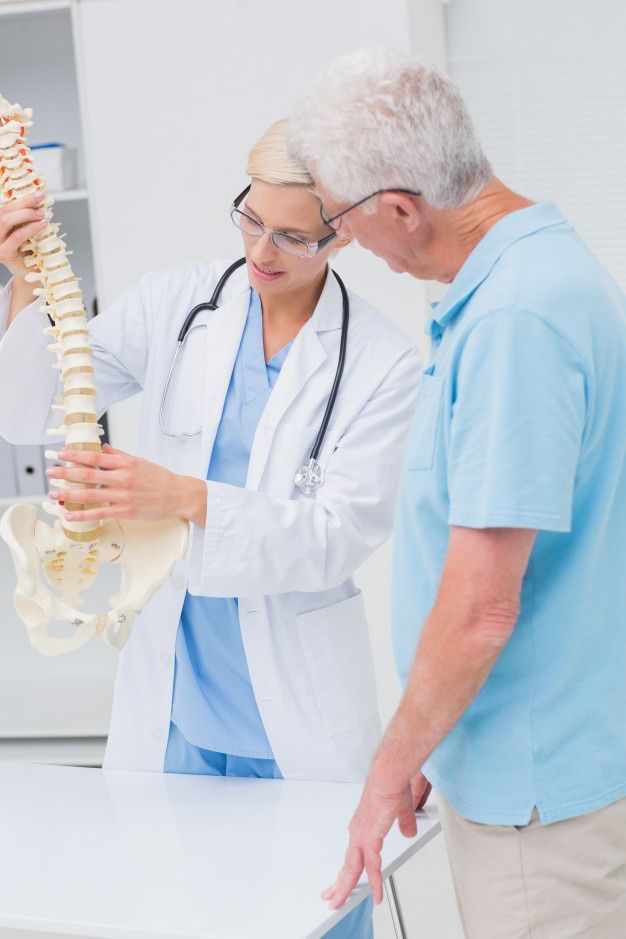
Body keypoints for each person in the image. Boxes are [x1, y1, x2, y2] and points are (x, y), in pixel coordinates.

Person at [0, 119, 422, 938]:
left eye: (294, 235)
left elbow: (336, 533)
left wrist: (186, 498)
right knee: (173, 913)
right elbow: (29, 411)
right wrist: (21, 285)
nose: (262, 250)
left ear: (344, 232)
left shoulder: (380, 360)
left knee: (317, 917)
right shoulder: (176, 303)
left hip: (294, 717)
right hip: (176, 710)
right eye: (250, 218)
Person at [287, 49, 626, 937]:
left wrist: (388, 769)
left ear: (401, 207)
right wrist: (444, 731)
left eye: (339, 220)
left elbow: (481, 607)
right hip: (534, 751)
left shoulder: (515, 317)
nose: (342, 241)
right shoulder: (533, 276)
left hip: (539, 794)